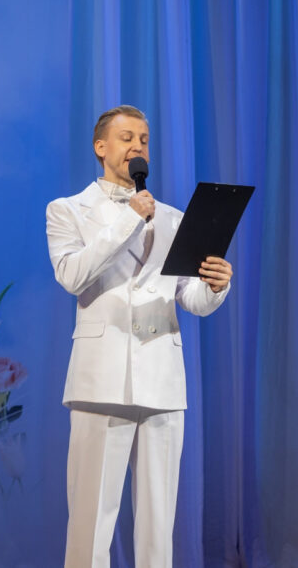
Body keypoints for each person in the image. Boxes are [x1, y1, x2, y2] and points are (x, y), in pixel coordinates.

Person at [46, 104, 233, 568]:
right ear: (101, 146)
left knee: (158, 522)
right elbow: (72, 276)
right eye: (127, 137)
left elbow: (189, 298)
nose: (137, 147)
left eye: (144, 140)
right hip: (101, 378)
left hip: (161, 377)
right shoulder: (68, 210)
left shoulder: (173, 218)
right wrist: (129, 218)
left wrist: (215, 285)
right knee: (91, 519)